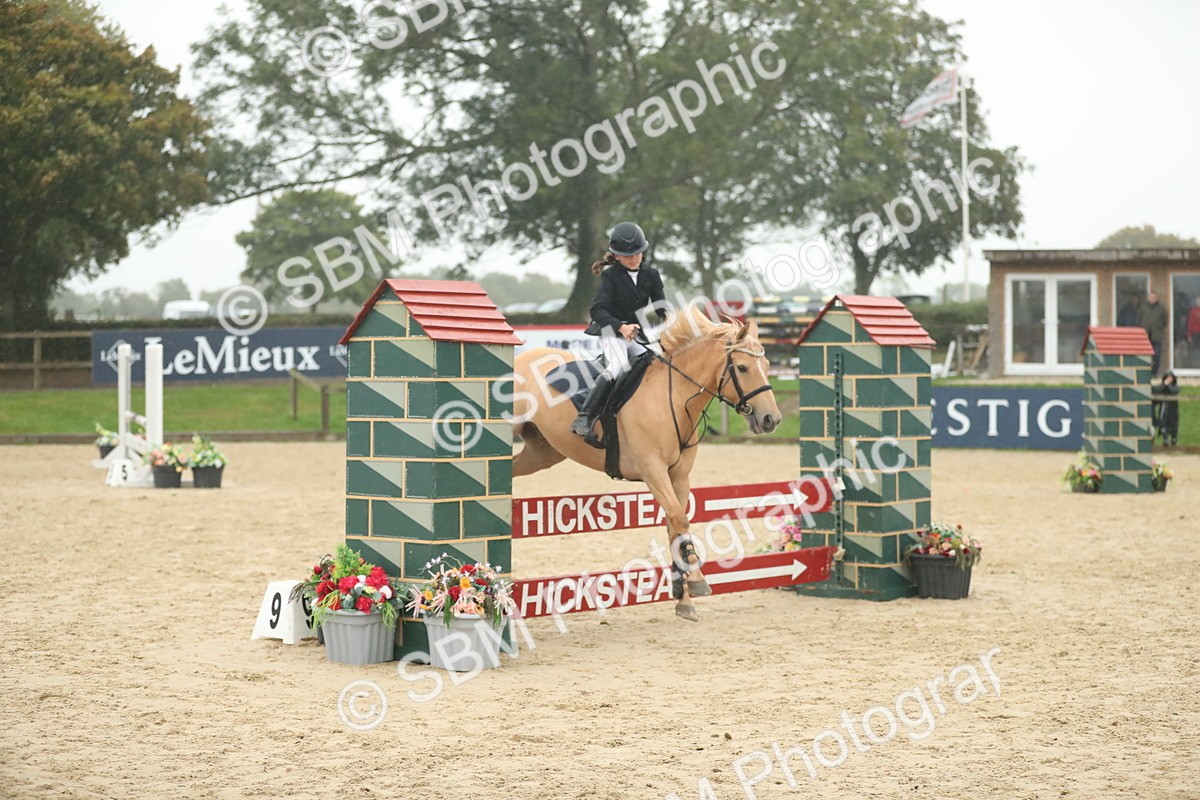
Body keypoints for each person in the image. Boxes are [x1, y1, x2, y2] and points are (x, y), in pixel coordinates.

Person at [570, 221, 668, 439]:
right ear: (616, 256)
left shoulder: (651, 274)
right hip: (610, 331)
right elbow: (597, 310)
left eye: (638, 253)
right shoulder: (610, 276)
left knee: (657, 363)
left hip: (637, 334)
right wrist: (621, 327)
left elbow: (661, 306)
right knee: (617, 367)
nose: (634, 258)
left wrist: (671, 324)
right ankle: (585, 417)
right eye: (628, 255)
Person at [1137, 290, 1169, 376]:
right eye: (1150, 297)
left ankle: (1154, 373)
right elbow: (1138, 319)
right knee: (1144, 355)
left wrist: (1161, 329)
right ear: (1148, 298)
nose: (1152, 299)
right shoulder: (1143, 307)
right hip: (1145, 336)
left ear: (1156, 298)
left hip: (1157, 336)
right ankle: (1144, 373)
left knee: (1157, 356)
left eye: (1153, 297)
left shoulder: (1161, 308)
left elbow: (1165, 320)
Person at [1153, 370, 1180, 447]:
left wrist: (1168, 386)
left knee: (1174, 425)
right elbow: (1157, 391)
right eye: (1167, 377)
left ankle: (1173, 440)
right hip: (1164, 408)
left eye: (1170, 377)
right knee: (1162, 423)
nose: (1169, 379)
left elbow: (1174, 391)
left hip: (1173, 409)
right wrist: (1164, 385)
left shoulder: (1176, 386)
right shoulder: (1162, 386)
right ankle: (1165, 440)